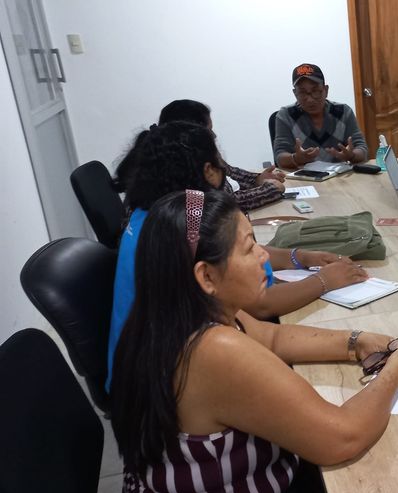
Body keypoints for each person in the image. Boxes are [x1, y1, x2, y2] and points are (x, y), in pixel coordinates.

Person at [111, 189, 398, 493]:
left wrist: (356, 341)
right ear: (206, 277)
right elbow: (342, 438)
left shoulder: (174, 312)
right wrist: (395, 372)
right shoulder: (213, 350)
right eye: (249, 248)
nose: (263, 256)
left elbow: (273, 337)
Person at [107, 122, 368, 390]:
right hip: (157, 387)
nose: (260, 254)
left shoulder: (156, 217)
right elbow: (261, 304)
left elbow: (266, 329)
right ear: (208, 171)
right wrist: (324, 281)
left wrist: (298, 256)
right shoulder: (180, 233)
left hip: (142, 369)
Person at [158, 99, 287, 211]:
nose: (214, 135)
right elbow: (220, 205)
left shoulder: (191, 154)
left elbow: (228, 170)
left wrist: (256, 179)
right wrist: (269, 191)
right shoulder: (182, 167)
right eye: (209, 130)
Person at [273, 63, 368, 168]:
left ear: (326, 90)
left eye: (315, 91)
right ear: (295, 93)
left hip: (339, 175)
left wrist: (352, 155)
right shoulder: (286, 116)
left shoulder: (343, 112)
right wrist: (296, 158)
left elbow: (361, 148)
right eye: (302, 93)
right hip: (304, 176)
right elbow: (280, 156)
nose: (310, 99)